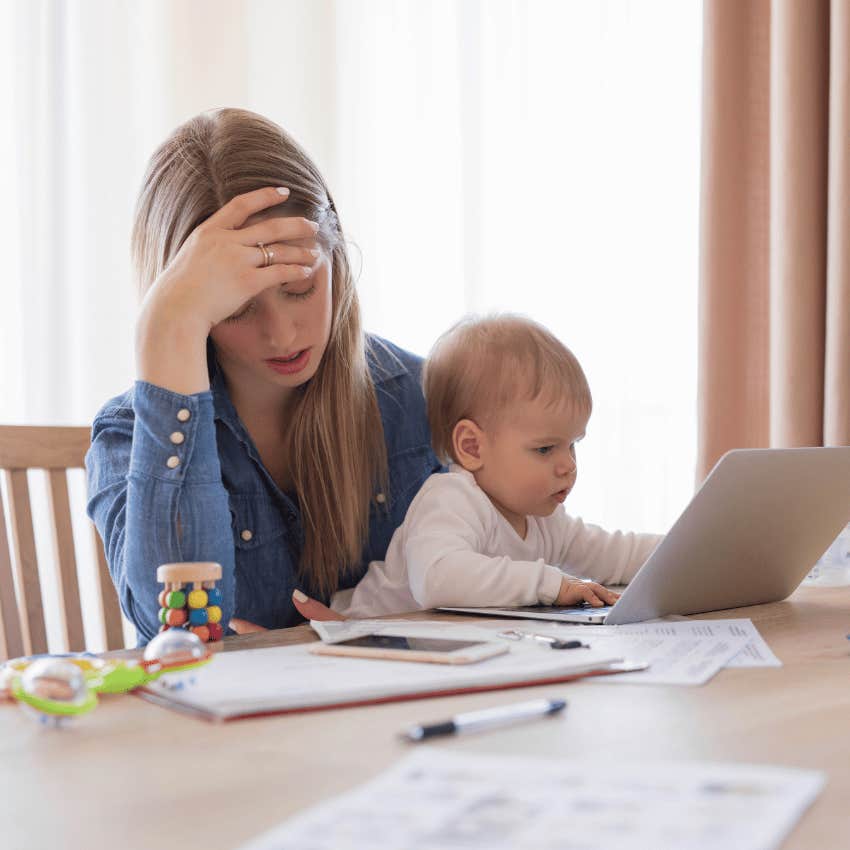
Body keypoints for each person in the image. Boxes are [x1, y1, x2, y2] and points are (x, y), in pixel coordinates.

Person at [85, 108, 442, 644]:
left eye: (299, 288)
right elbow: (179, 634)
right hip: (222, 727)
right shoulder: (128, 435)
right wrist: (162, 332)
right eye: (237, 309)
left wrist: (375, 638)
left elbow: (509, 580)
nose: (282, 335)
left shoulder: (416, 395)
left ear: (336, 259)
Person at [295, 314, 663, 621]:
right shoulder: (450, 499)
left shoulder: (544, 518)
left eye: (573, 445)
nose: (567, 465)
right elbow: (437, 579)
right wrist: (551, 584)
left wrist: (695, 548)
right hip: (357, 643)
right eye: (546, 448)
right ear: (472, 447)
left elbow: (615, 555)